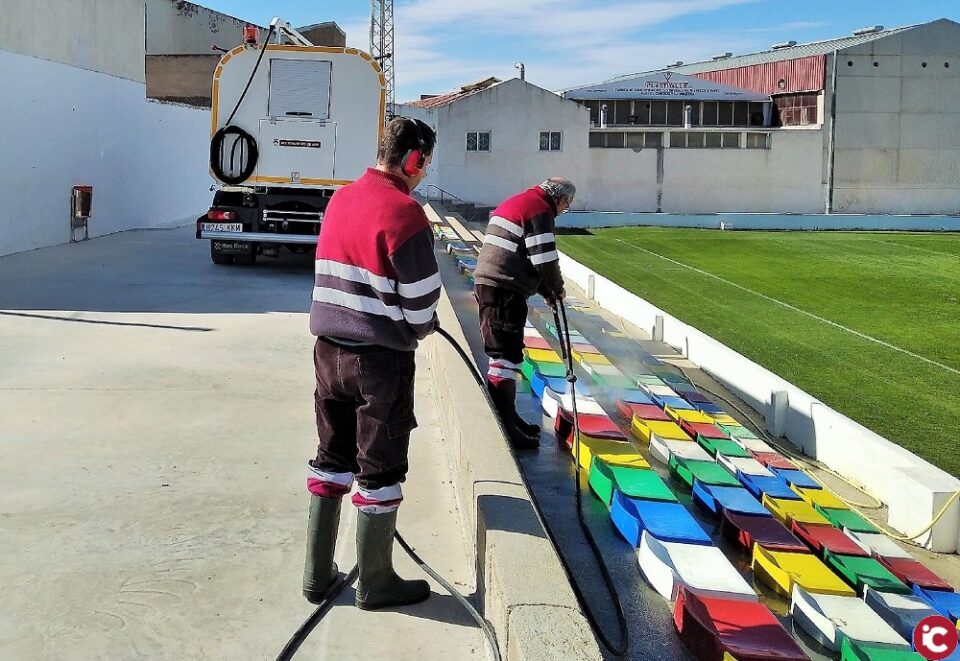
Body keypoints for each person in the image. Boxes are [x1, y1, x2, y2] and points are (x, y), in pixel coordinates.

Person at [302, 117, 440, 610]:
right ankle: (376, 582)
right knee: (380, 470)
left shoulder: (340, 198)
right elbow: (422, 308)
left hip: (327, 354)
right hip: (379, 361)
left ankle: (316, 576)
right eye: (424, 164)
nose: (423, 173)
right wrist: (420, 327)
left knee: (332, 458)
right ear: (413, 160)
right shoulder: (406, 214)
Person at [473, 178, 575, 449]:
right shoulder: (540, 210)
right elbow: (545, 260)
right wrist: (556, 290)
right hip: (503, 289)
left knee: (508, 356)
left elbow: (528, 256)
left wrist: (547, 293)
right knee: (505, 359)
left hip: (494, 286)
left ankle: (509, 419)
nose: (563, 211)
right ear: (562, 200)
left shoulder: (521, 201)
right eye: (566, 206)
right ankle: (505, 431)